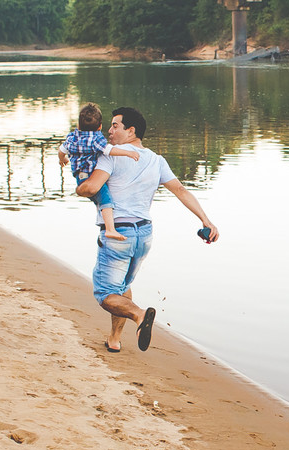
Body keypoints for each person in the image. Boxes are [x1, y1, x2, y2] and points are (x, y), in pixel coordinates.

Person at [76, 106, 219, 353]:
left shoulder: (111, 156)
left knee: (105, 294)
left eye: (115, 126)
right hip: (144, 235)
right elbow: (180, 190)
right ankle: (114, 339)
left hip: (118, 233)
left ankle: (139, 315)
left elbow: (91, 188)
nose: (109, 131)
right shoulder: (157, 160)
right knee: (122, 286)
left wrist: (79, 187)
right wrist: (206, 220)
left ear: (131, 131)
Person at [59, 103, 141, 242]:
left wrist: (62, 159)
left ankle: (107, 224)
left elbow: (61, 150)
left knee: (99, 199)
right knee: (106, 200)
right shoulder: (96, 139)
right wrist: (128, 153)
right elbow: (109, 150)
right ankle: (110, 229)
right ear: (100, 127)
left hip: (79, 177)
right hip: (92, 176)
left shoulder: (72, 138)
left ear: (78, 125)